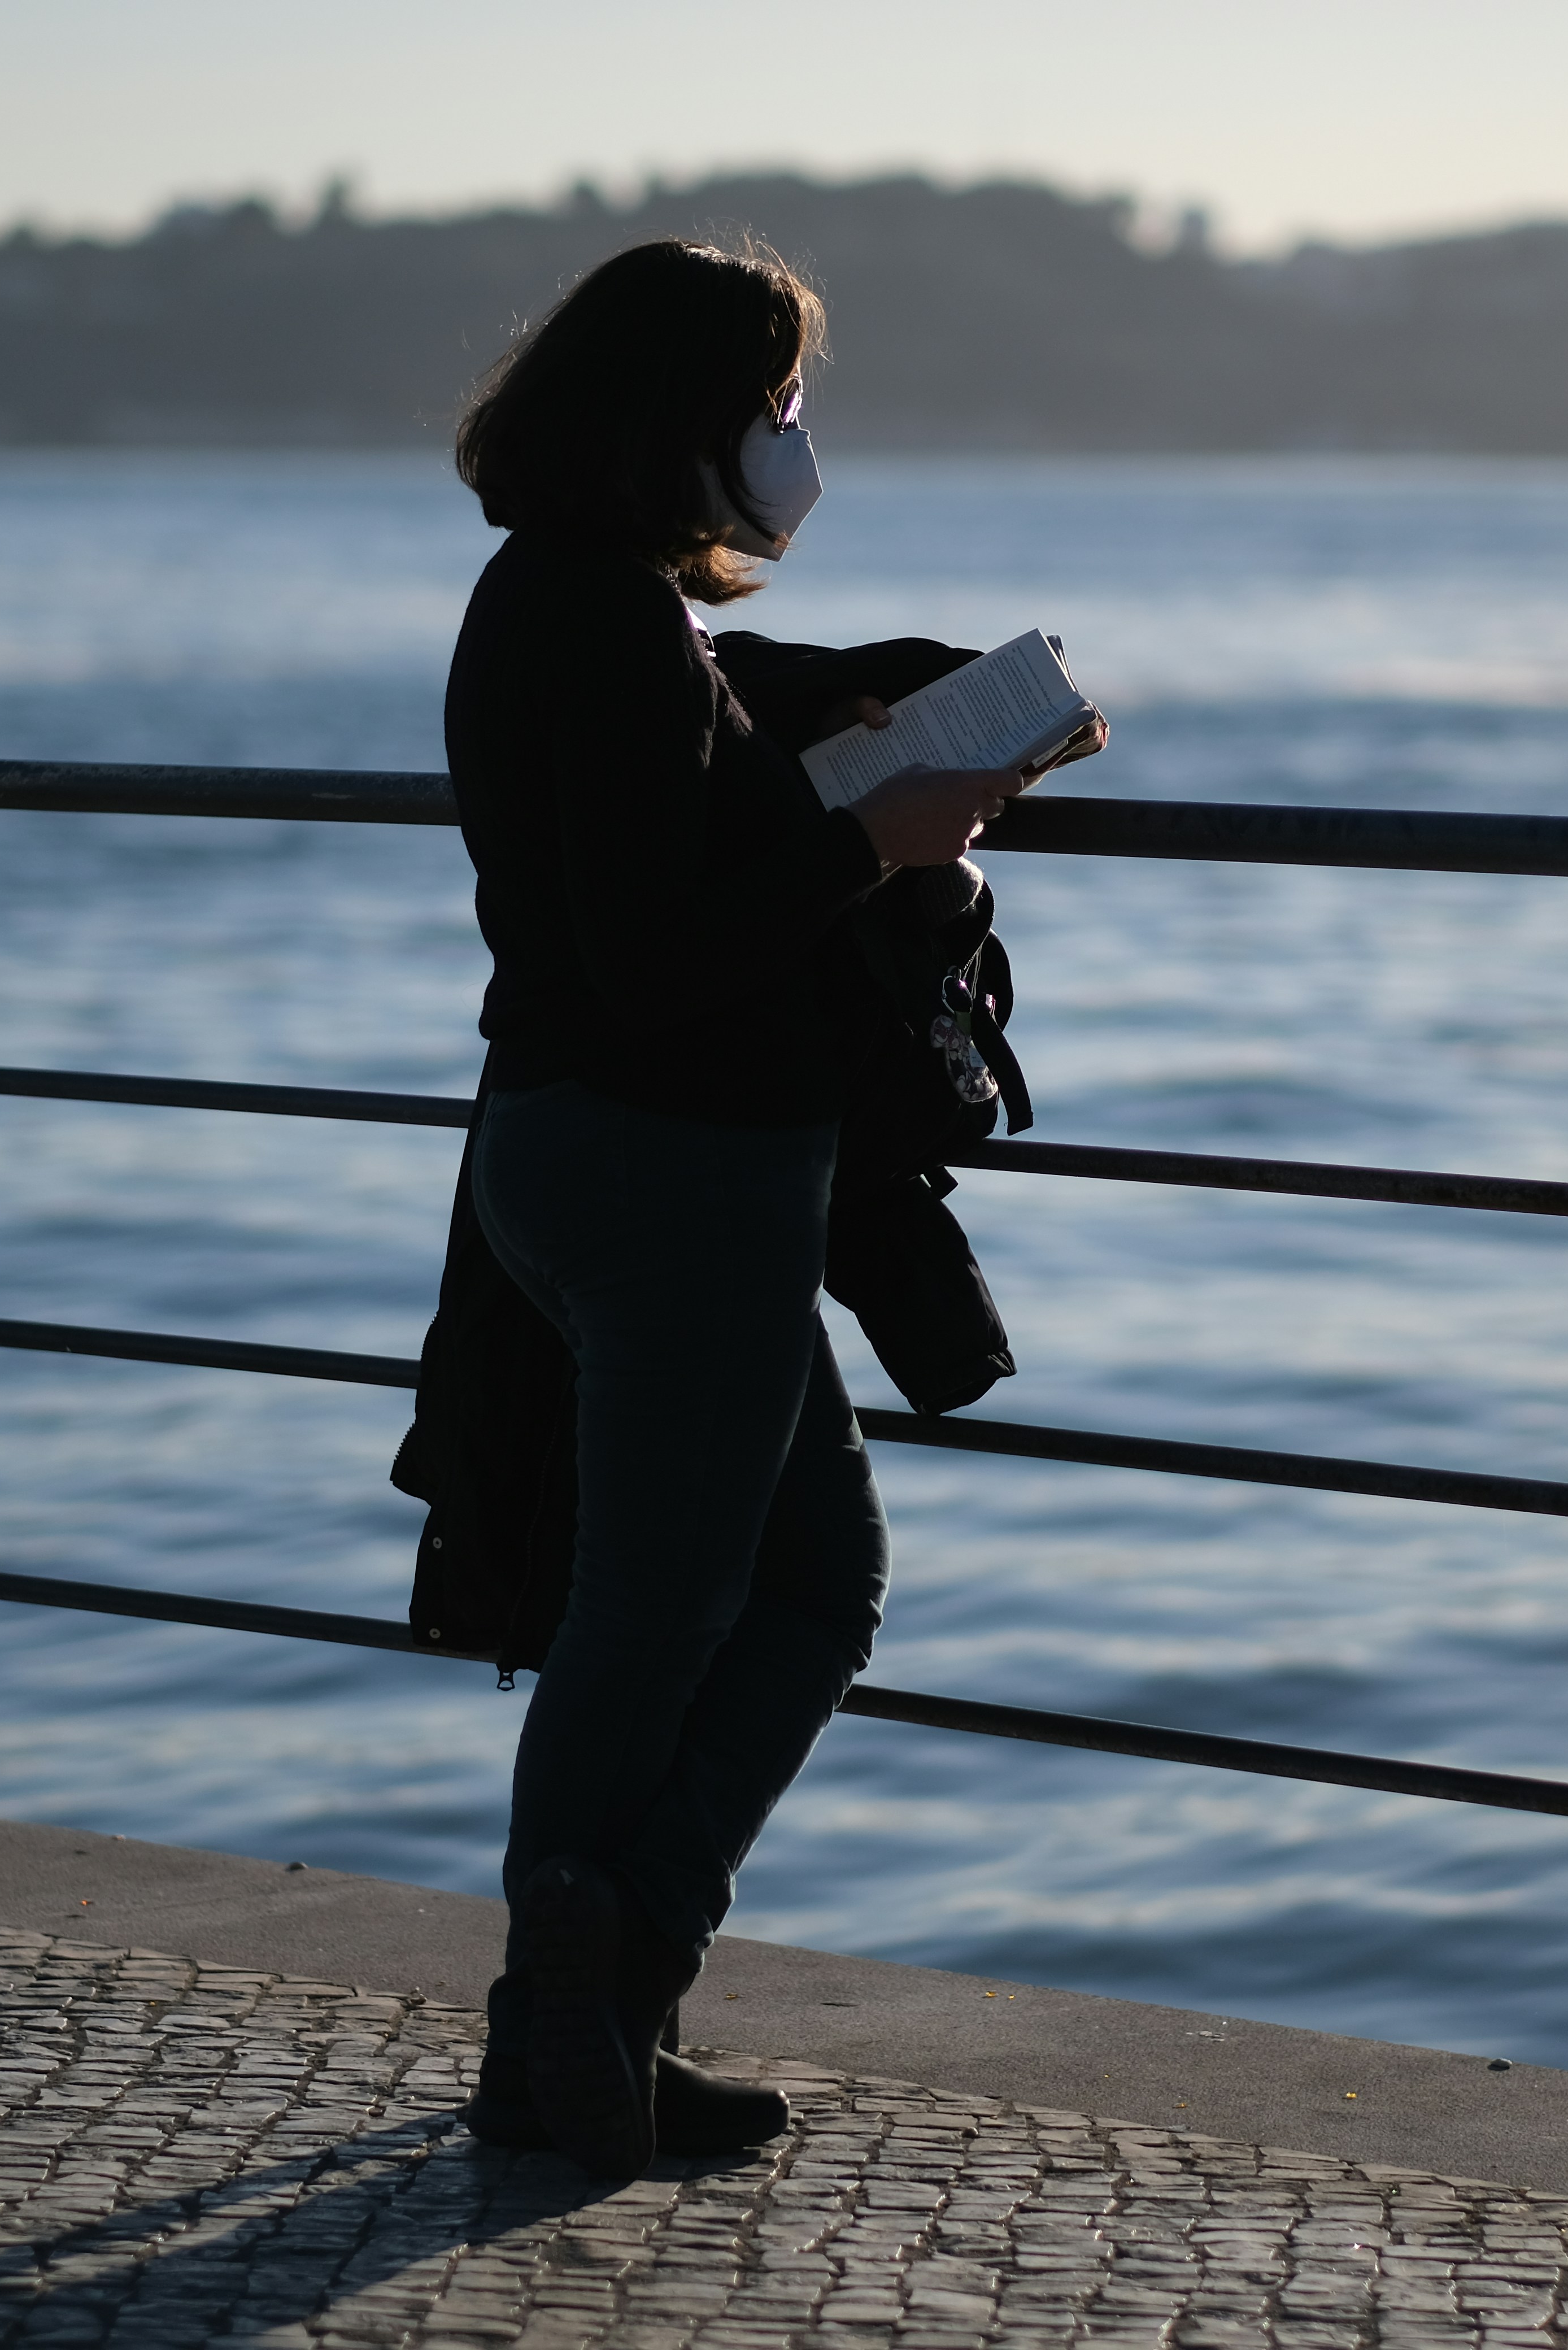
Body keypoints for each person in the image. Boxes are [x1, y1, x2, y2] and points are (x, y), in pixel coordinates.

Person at [438, 236, 1090, 2178]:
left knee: (740, 1592)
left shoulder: (558, 597)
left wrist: (920, 710)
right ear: (692, 420)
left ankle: (583, 2030)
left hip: (572, 1151)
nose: (795, 441)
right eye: (781, 404)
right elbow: (666, 939)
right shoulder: (611, 625)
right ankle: (602, 1966)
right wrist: (871, 835)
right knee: (717, 1606)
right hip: (677, 1165)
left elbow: (709, 738)